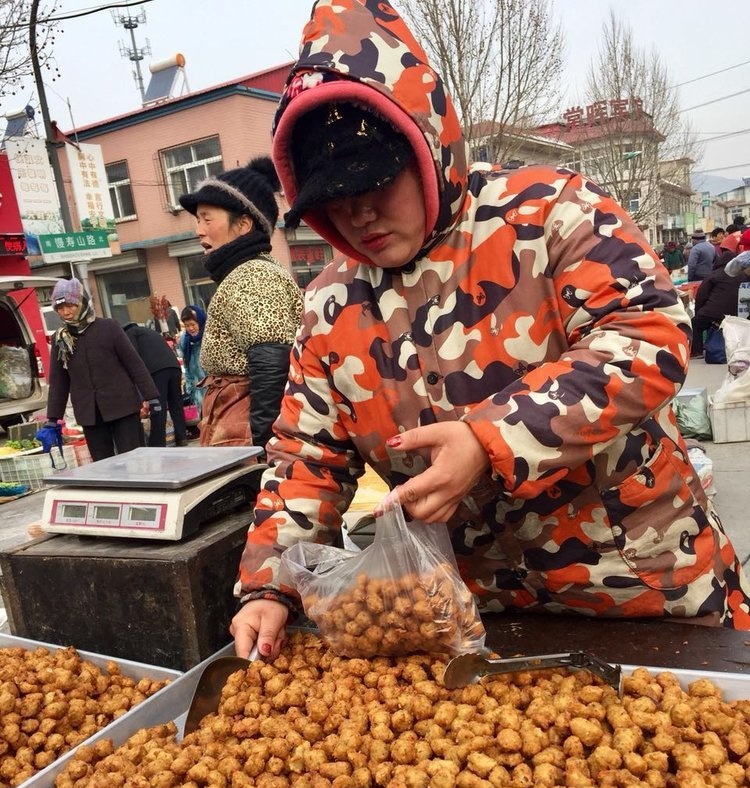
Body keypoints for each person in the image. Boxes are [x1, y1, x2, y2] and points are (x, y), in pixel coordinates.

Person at [229, 0, 750, 659]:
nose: (358, 212)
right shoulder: (329, 308)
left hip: (648, 597)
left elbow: (648, 336)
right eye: (332, 195)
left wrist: (492, 439)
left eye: (375, 180)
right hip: (484, 626)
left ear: (425, 142)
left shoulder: (548, 212)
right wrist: (269, 586)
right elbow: (307, 458)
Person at [178, 157, 303, 447]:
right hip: (237, 422)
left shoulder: (252, 275)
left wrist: (264, 445)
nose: (199, 229)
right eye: (198, 219)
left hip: (244, 429)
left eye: (207, 218)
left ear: (244, 224)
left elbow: (272, 359)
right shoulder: (246, 272)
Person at [45, 278, 160, 462]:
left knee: (134, 459)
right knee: (102, 463)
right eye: (60, 308)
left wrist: (151, 396)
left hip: (122, 405)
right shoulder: (60, 339)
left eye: (70, 306)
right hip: (89, 412)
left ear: (81, 303)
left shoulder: (108, 327)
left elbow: (134, 363)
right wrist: (53, 418)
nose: (65, 312)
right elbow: (59, 381)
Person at [123, 321, 187, 447]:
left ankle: (157, 444)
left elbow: (133, 360)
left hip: (157, 371)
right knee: (176, 405)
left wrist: (141, 396)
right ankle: (182, 437)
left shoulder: (129, 335)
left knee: (158, 407)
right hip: (174, 367)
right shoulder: (149, 332)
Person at [691, 233, 750, 358]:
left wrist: (699, 312)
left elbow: (701, 296)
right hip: (739, 313)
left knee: (695, 324)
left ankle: (697, 351)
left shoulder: (713, 275)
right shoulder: (744, 274)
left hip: (713, 313)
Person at [179, 304, 208, 418]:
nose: (190, 328)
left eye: (193, 324)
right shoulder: (184, 341)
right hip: (198, 388)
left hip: (213, 386)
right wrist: (190, 387)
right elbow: (186, 366)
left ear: (200, 322)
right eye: (187, 325)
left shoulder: (209, 337)